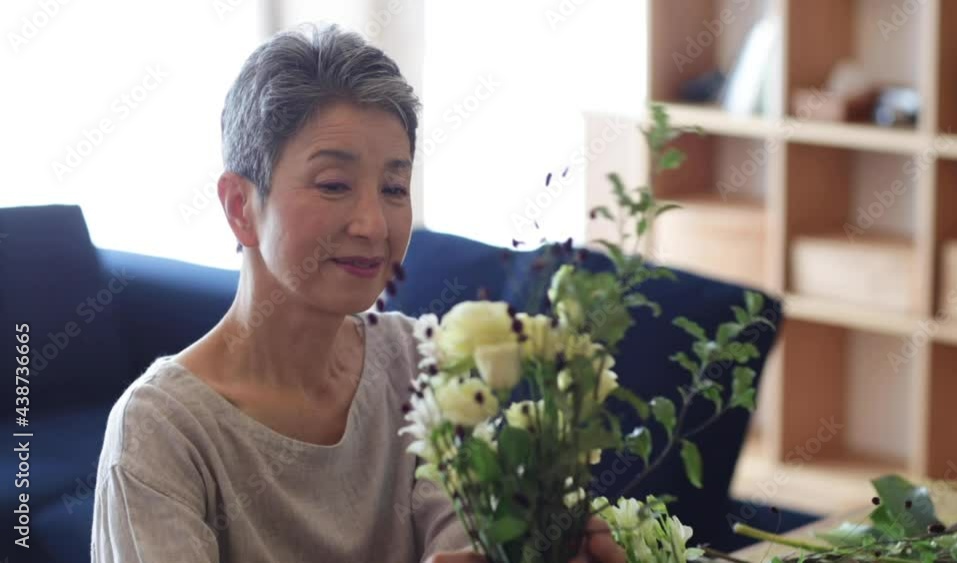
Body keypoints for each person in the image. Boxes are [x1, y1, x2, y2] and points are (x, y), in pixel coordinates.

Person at [90, 23, 626, 563]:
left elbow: (465, 538)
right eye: (333, 185)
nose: (373, 224)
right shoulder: (162, 431)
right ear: (240, 207)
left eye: (394, 188)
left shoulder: (419, 363)